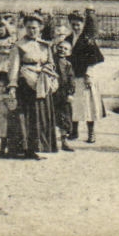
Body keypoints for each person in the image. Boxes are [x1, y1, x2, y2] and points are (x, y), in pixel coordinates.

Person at [8, 16, 58, 160]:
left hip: (42, 83)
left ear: (40, 28)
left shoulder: (45, 45)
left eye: (34, 28)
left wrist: (47, 70)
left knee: (41, 115)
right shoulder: (19, 46)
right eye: (29, 28)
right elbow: (14, 67)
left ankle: (39, 146)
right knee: (27, 116)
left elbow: (51, 63)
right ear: (25, 28)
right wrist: (12, 86)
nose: (32, 31)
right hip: (26, 84)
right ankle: (25, 149)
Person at [50, 22, 76, 152]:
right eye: (60, 47)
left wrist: (71, 93)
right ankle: (52, 142)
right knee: (51, 116)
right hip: (53, 93)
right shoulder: (52, 60)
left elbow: (71, 80)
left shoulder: (68, 65)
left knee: (64, 117)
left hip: (64, 94)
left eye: (65, 49)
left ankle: (64, 141)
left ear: (69, 52)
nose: (62, 50)